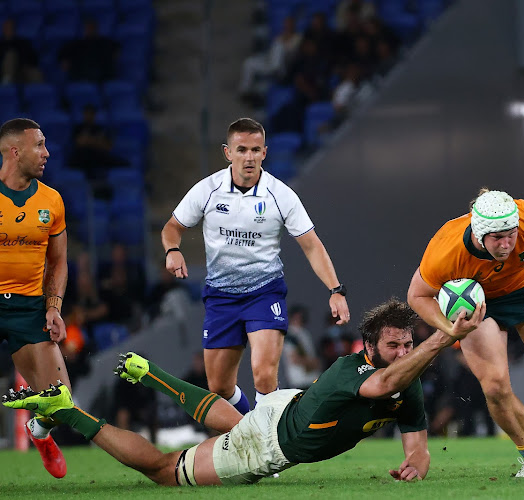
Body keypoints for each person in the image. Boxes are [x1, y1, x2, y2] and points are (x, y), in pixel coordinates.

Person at [3, 299, 485, 485]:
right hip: (269, 444)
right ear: (369, 348)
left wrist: (415, 468)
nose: (403, 353)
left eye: (408, 345)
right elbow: (382, 384)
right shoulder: (353, 369)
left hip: (280, 408)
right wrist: (446, 337)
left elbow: (418, 447)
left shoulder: (406, 384)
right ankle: (68, 410)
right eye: (393, 346)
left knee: (237, 417)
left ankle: (152, 373)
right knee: (164, 473)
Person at [161, 118, 350, 416]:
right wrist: (172, 250)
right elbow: (172, 227)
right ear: (228, 152)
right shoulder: (207, 190)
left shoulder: (281, 195)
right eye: (241, 149)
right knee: (219, 387)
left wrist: (335, 290)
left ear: (265, 153)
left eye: (255, 150)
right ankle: (249, 425)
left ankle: (265, 442)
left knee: (263, 374)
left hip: (265, 293)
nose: (248, 157)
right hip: (221, 297)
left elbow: (312, 245)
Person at [407, 188, 524, 477]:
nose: (507, 243)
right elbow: (417, 296)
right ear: (478, 232)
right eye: (497, 238)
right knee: (495, 385)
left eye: (511, 234)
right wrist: (450, 327)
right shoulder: (445, 249)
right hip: (478, 305)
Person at [0, 118, 70, 478]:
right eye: (39, 145)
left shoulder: (51, 200)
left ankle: (39, 432)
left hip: (28, 305)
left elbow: (58, 262)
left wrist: (53, 308)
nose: (47, 152)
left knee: (62, 403)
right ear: (15, 151)